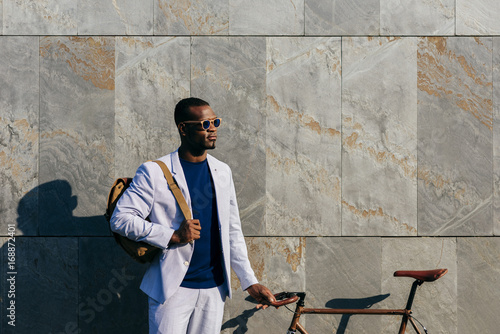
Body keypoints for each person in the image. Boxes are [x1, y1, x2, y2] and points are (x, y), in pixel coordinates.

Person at [110, 97, 275, 333]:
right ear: (183, 128)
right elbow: (121, 219)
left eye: (215, 122)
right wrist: (172, 236)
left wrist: (249, 281)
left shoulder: (222, 171)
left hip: (214, 289)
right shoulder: (154, 172)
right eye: (205, 124)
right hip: (172, 289)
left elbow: (232, 231)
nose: (213, 130)